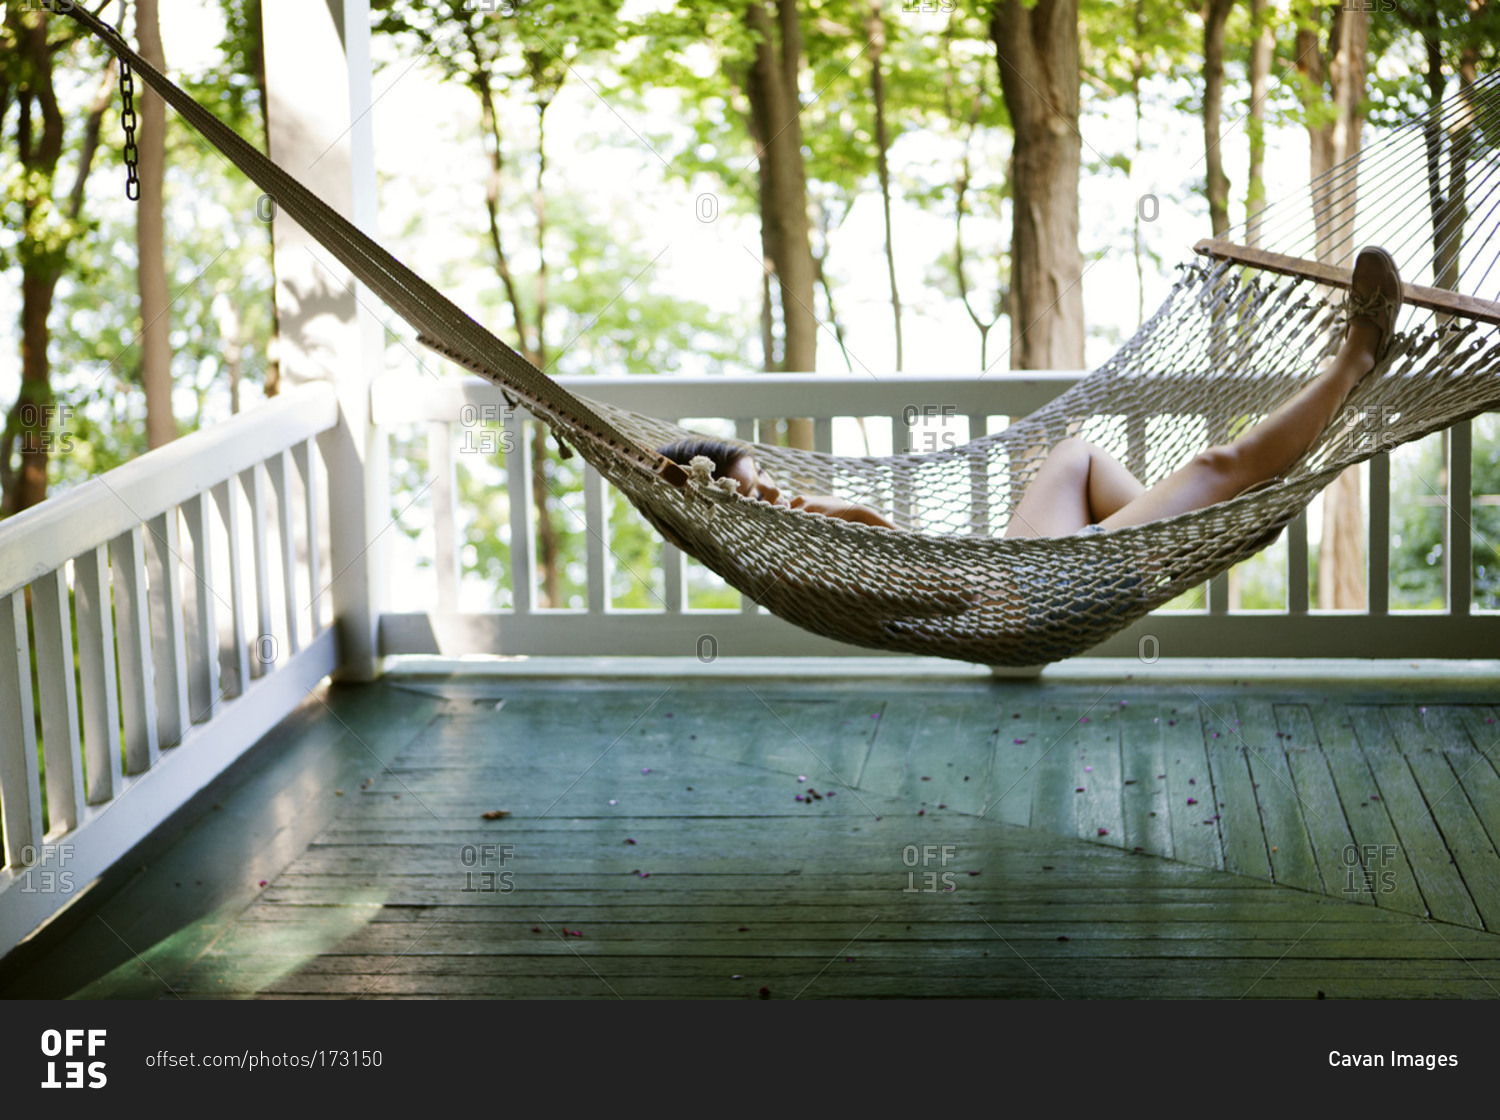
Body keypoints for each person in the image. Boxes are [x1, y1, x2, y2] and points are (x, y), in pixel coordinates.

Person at [658, 246, 1402, 539]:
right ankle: (1357, 355)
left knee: (1075, 452)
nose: (777, 494)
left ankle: (1179, 530)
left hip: (1016, 566)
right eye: (757, 492)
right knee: (1213, 467)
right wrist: (806, 508)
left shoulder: (799, 524)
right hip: (1019, 598)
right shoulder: (798, 535)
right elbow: (872, 531)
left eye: (769, 481)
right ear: (728, 508)